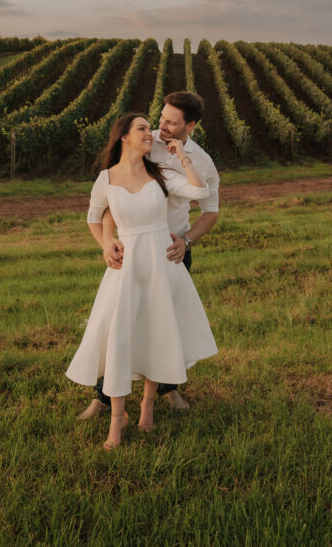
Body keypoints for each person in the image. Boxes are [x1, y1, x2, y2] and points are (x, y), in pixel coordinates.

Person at [66, 111, 218, 449]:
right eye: (142, 128)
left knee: (157, 332)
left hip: (162, 263)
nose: (150, 132)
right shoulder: (106, 178)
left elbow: (198, 190)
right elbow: (94, 218)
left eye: (151, 127)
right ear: (123, 137)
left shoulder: (161, 173)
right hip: (127, 267)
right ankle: (115, 424)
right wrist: (106, 244)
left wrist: (181, 156)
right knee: (120, 338)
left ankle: (147, 406)